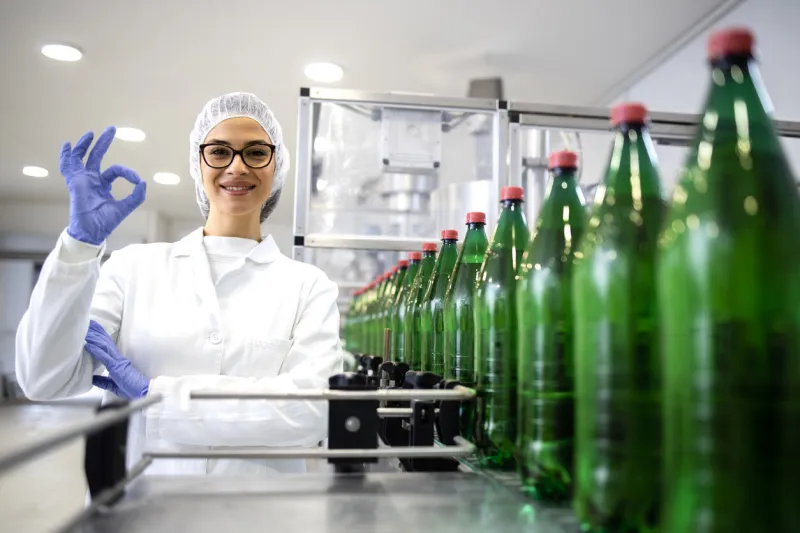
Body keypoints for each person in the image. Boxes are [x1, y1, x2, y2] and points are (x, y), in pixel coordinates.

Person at [15, 92, 343, 476]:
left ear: (277, 166)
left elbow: (314, 410)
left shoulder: (308, 286)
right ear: (198, 163)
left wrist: (154, 396)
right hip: (141, 509)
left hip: (256, 513)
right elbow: (44, 379)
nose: (237, 167)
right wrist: (77, 248)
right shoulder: (131, 268)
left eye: (255, 153)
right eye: (219, 152)